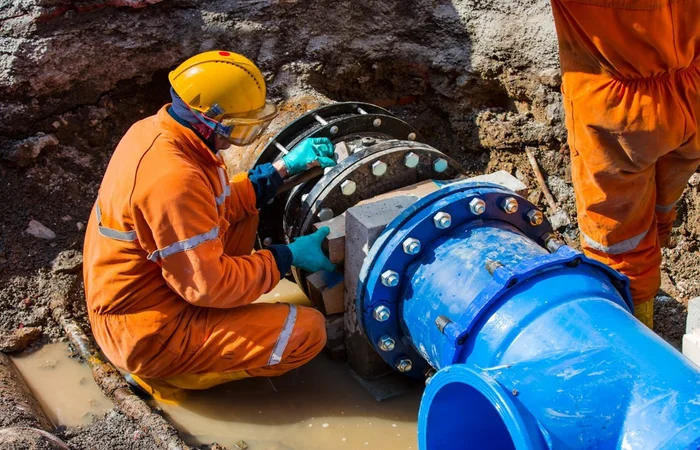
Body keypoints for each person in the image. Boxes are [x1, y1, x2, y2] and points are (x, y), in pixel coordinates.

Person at [83, 51, 337, 401]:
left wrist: (279, 172)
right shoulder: (173, 180)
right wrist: (285, 257)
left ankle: (215, 327)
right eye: (239, 126)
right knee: (307, 332)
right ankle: (168, 377)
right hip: (148, 333)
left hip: (157, 293)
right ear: (207, 121)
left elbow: (213, 205)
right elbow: (208, 286)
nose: (238, 137)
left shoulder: (164, 135)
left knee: (247, 210)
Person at [550, 0, 700, 329]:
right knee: (664, 197)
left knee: (619, 244)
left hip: (618, 108)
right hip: (693, 85)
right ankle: (659, 243)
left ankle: (635, 332)